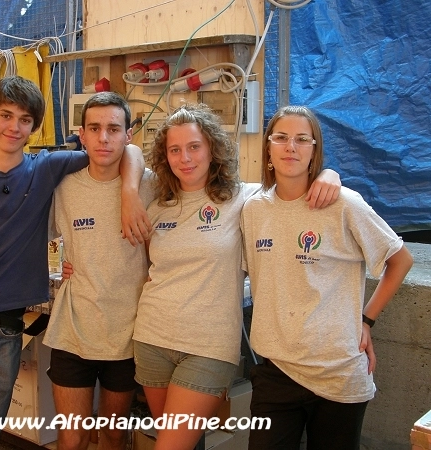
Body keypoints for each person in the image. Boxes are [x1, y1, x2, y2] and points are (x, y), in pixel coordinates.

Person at [0, 76, 146, 450]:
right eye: (6, 115)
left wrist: (130, 191)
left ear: (35, 127)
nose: (14, 127)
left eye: (25, 119)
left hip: (4, 329)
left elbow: (124, 150)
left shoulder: (46, 169)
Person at [130, 103, 342, 450]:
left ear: (213, 149)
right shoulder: (157, 204)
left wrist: (329, 173)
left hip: (208, 346)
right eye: (175, 149)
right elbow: (128, 154)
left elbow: (292, 184)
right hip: (151, 337)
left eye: (194, 146)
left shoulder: (247, 198)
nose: (185, 158)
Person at [241, 105, 413, 449]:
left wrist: (366, 320)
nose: (291, 147)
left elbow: (401, 260)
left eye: (302, 139)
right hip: (277, 371)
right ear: (268, 147)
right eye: (281, 138)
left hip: (338, 373)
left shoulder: (344, 204)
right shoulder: (253, 209)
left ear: (314, 149)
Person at [43, 91, 157, 450]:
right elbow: (49, 239)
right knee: (71, 437)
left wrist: (129, 191)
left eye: (113, 129)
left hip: (127, 333)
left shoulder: (150, 186)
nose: (103, 138)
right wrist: (54, 267)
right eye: (94, 128)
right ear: (81, 134)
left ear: (128, 135)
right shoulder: (63, 186)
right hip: (72, 329)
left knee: (113, 434)